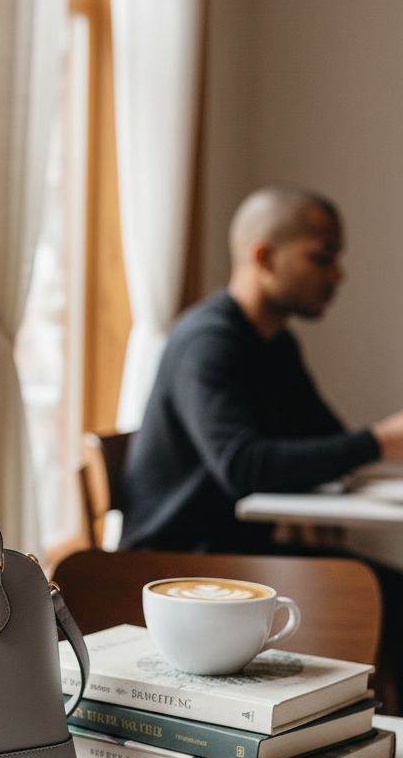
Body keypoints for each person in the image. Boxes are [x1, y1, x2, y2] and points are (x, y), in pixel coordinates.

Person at [119, 183, 403, 552]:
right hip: (175, 561)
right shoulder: (206, 342)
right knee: (375, 585)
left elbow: (324, 434)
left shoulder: (276, 343)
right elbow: (242, 466)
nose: (337, 275)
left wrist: (374, 445)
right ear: (265, 258)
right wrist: (381, 441)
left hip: (238, 549)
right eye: (322, 258)